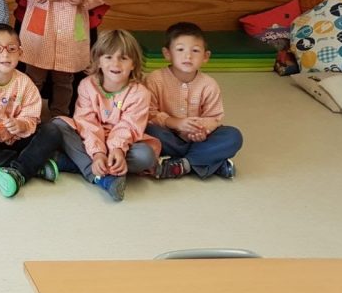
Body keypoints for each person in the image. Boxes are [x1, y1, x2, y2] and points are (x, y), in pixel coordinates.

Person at [51, 30, 160, 202]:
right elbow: (86, 122)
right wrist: (97, 153)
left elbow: (129, 126)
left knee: (146, 156)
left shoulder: (140, 93)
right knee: (58, 125)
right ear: (99, 61)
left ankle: (70, 163)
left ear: (133, 64)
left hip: (123, 145)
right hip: (90, 141)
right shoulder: (87, 85)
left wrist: (117, 149)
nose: (115, 63)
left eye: (123, 58)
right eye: (108, 57)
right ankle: (103, 178)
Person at [0, 24, 64, 199]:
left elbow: (31, 116)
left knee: (52, 130)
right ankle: (32, 165)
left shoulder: (26, 84)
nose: (5, 55)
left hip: (18, 139)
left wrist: (20, 124)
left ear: (20, 53)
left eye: (12, 49)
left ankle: (20, 170)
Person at [145, 22, 243, 180]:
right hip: (168, 137)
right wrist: (176, 123)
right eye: (180, 49)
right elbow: (149, 114)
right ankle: (209, 163)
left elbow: (214, 117)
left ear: (205, 56)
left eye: (195, 50)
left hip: (200, 140)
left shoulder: (209, 85)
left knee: (233, 136)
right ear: (167, 53)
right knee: (149, 131)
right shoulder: (155, 79)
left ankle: (183, 164)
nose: (188, 56)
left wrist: (201, 131)